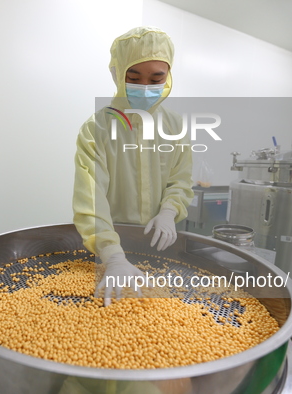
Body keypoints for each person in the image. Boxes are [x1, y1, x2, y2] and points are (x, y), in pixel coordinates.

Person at [72, 26, 193, 306]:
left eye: (157, 78)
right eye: (134, 77)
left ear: (168, 77)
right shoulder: (97, 128)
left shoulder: (175, 126)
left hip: (160, 244)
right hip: (108, 248)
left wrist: (168, 211)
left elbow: (180, 180)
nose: (146, 87)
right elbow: (91, 197)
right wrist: (113, 256)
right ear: (118, 75)